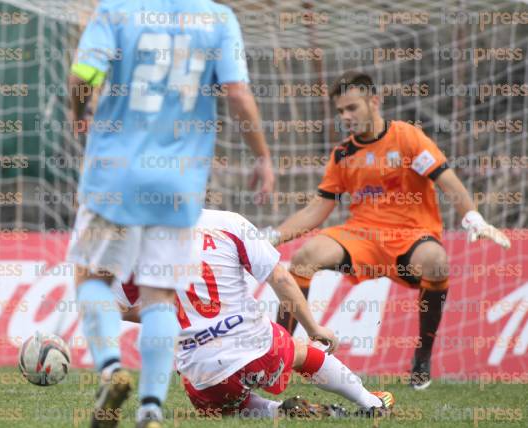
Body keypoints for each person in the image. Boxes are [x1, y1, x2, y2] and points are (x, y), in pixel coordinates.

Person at [66, 1, 274, 426]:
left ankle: (110, 368)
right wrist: (263, 157)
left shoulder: (117, 12)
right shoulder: (217, 19)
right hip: (178, 182)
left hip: (114, 173)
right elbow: (237, 93)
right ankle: (151, 409)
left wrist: (78, 111)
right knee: (159, 295)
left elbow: (83, 75)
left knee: (91, 277)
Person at [266, 70, 510, 391]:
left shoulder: (407, 138)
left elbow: (446, 180)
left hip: (411, 235)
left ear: (374, 101)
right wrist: (270, 237)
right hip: (362, 237)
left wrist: (473, 219)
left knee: (436, 261)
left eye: (352, 108)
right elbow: (317, 210)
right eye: (340, 111)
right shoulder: (343, 154)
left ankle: (422, 360)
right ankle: (279, 358)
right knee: (304, 257)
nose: (346, 117)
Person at [115, 209, 394, 419]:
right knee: (301, 353)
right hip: (259, 349)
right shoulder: (227, 223)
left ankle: (276, 412)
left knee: (225, 405)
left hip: (204, 378)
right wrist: (314, 329)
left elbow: (122, 309)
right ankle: (369, 401)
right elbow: (280, 279)